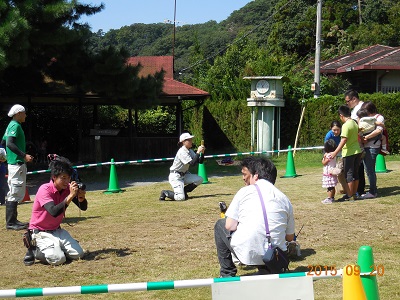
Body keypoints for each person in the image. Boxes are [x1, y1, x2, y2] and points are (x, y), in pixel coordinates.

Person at [214, 157, 295, 277]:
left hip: (248, 253)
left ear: (256, 176)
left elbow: (229, 226)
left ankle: (227, 273)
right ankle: (266, 268)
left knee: (220, 225)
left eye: (246, 175)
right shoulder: (284, 198)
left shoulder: (244, 191)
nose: (244, 178)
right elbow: (289, 237)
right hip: (274, 255)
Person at [24, 156, 88, 266]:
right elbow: (53, 212)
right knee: (58, 259)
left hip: (56, 230)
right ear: (54, 177)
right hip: (40, 231)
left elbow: (83, 207)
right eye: (63, 178)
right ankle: (34, 249)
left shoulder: (67, 189)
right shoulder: (44, 189)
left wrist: (81, 197)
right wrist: (71, 196)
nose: (66, 181)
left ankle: (57, 248)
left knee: (79, 254)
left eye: (68, 178)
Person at [1, 104, 34, 230]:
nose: (25, 115)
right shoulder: (15, 125)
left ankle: (14, 220)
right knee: (14, 191)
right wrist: (24, 155)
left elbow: (3, 143)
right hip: (16, 163)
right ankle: (10, 223)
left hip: (14, 163)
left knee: (16, 191)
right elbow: (9, 144)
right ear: (18, 113)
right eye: (24, 113)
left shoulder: (11, 125)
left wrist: (2, 156)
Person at [328, 105, 362, 201]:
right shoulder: (354, 123)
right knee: (355, 174)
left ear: (341, 115)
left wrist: (335, 152)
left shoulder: (346, 125)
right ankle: (354, 193)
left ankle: (349, 195)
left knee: (349, 174)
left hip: (349, 152)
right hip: (357, 151)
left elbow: (343, 140)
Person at [159, 132, 205, 201]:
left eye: (191, 139)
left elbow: (199, 161)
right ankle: (165, 193)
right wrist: (198, 152)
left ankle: (183, 191)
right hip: (176, 176)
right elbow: (192, 163)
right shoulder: (182, 151)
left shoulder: (189, 150)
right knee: (180, 198)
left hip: (184, 175)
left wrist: (202, 153)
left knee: (199, 179)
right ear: (183, 142)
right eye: (189, 140)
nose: (191, 141)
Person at [358, 101, 385, 199]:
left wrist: (367, 138)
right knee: (368, 169)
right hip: (366, 146)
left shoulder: (379, 117)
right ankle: (372, 190)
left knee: (369, 170)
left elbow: (379, 130)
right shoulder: (365, 118)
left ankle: (373, 191)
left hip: (373, 147)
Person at [344, 90, 365, 196]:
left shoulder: (361, 109)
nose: (347, 104)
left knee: (357, 168)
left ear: (354, 99)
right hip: (356, 141)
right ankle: (357, 189)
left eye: (348, 101)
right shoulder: (356, 108)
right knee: (357, 167)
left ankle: (358, 190)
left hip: (359, 142)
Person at [321, 139, 339, 204]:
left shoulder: (328, 155)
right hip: (332, 171)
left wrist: (324, 157)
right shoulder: (334, 154)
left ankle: (330, 198)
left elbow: (324, 162)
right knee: (332, 186)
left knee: (329, 186)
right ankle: (332, 197)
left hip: (328, 172)